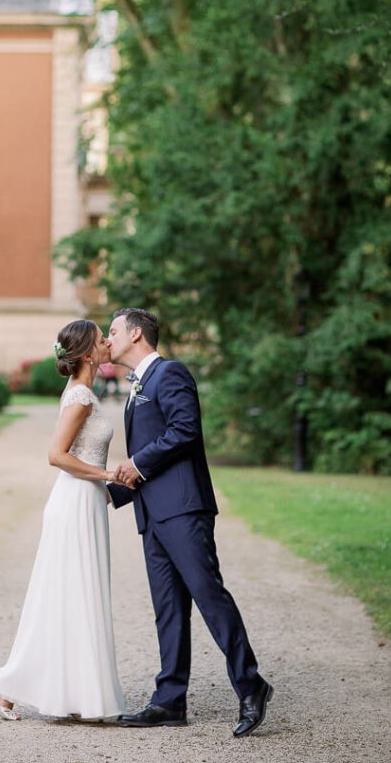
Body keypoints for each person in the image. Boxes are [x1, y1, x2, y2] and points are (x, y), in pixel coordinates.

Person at [106, 308, 273, 737]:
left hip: (182, 509)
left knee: (208, 596)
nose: (108, 339)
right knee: (168, 610)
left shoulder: (170, 373)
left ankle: (251, 685)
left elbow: (185, 431)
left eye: (113, 331)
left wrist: (136, 465)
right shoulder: (137, 385)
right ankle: (169, 700)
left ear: (136, 334)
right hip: (152, 514)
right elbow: (149, 448)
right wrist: (107, 493)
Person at [0, 319, 125, 721]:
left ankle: (68, 692)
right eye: (102, 340)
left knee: (73, 595)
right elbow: (56, 455)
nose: (107, 344)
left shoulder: (84, 392)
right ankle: (12, 684)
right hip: (76, 500)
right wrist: (106, 474)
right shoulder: (80, 397)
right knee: (67, 593)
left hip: (85, 500)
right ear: (86, 354)